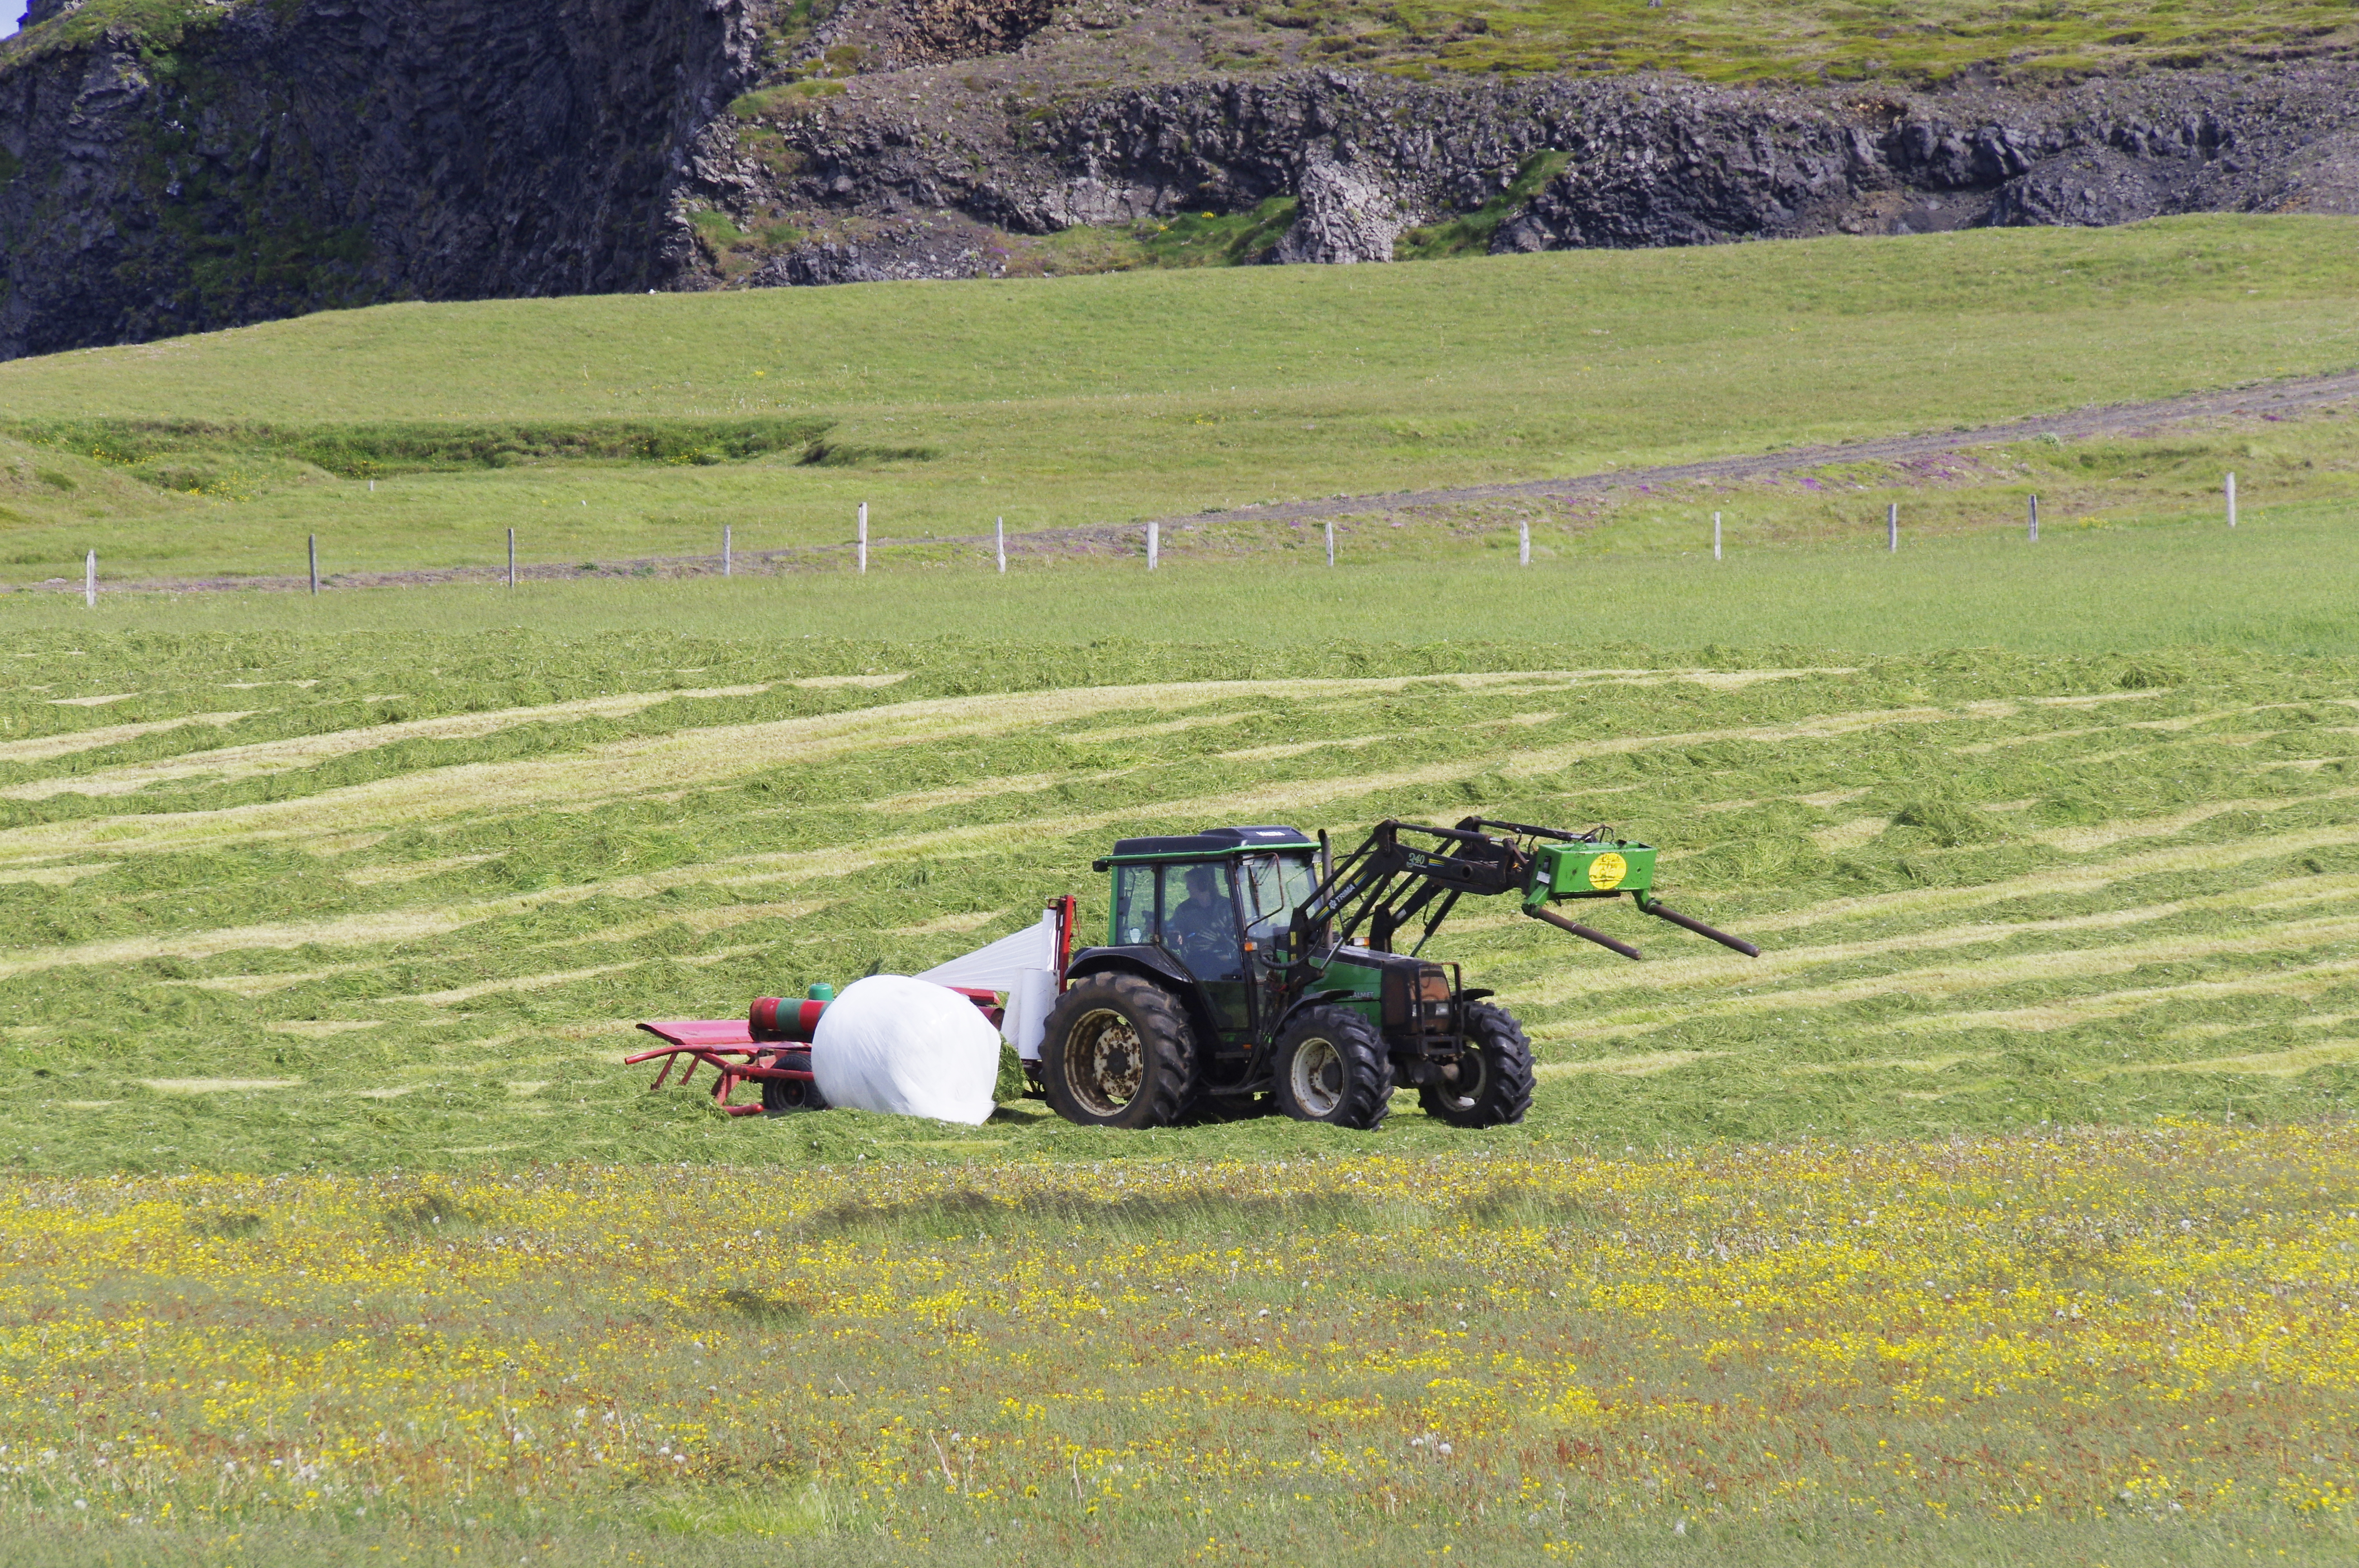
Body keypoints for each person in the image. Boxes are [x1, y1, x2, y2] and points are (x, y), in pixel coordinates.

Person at [1163, 864, 1240, 974]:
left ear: (1203, 885)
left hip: (1228, 957)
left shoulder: (1227, 906)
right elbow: (1173, 927)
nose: (1187, 888)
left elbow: (1238, 930)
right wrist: (1175, 934)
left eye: (1190, 884)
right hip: (1199, 959)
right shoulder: (1184, 909)